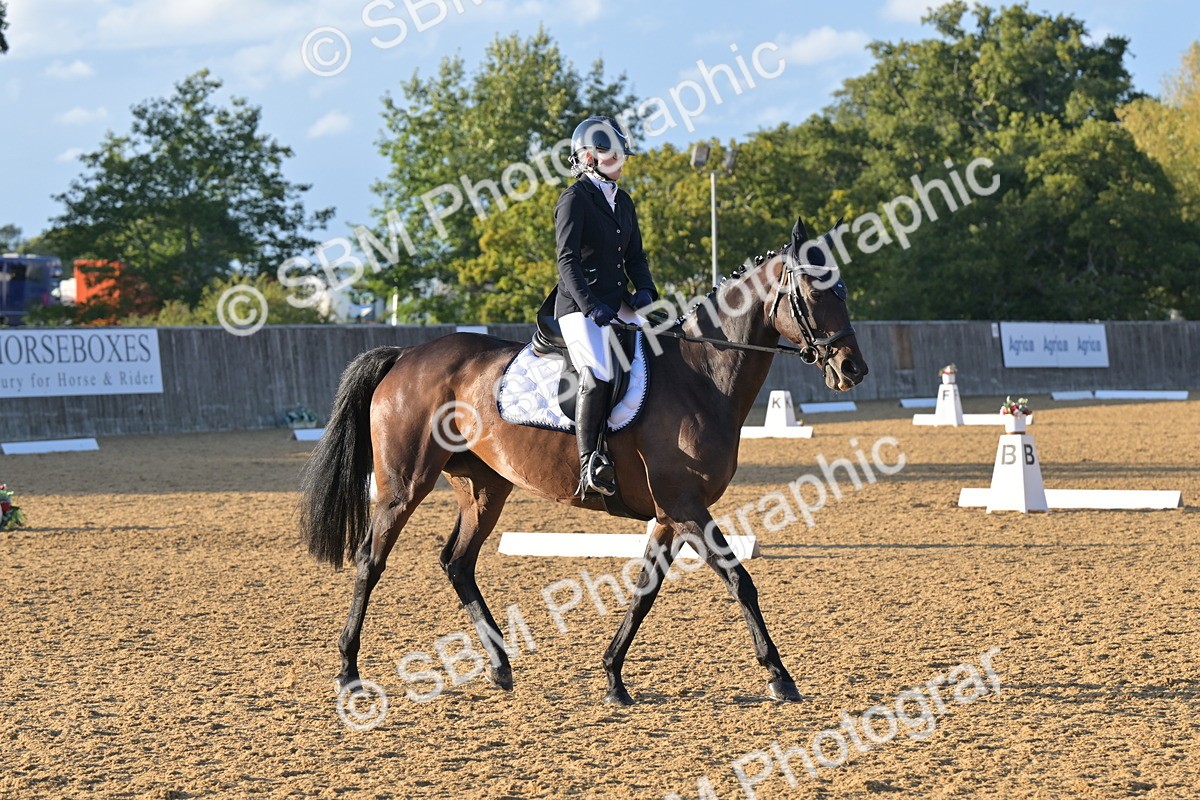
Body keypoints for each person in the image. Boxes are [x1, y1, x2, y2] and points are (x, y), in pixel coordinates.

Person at [553, 115, 658, 498]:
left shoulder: (623, 201)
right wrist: (589, 305)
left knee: (662, 352)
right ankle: (589, 463)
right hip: (579, 307)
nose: (621, 162)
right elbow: (567, 261)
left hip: (617, 302)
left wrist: (645, 289)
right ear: (589, 156)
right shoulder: (574, 199)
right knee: (598, 372)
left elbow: (636, 257)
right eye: (613, 155)